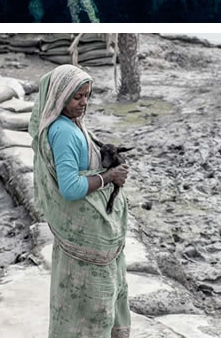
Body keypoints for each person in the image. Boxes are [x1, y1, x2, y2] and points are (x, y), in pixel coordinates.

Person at [28, 64, 131, 338]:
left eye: (87, 95)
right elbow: (71, 189)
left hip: (85, 238)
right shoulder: (63, 133)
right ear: (60, 97)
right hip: (86, 241)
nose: (83, 102)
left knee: (82, 304)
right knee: (90, 306)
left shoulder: (70, 125)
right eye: (77, 97)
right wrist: (109, 177)